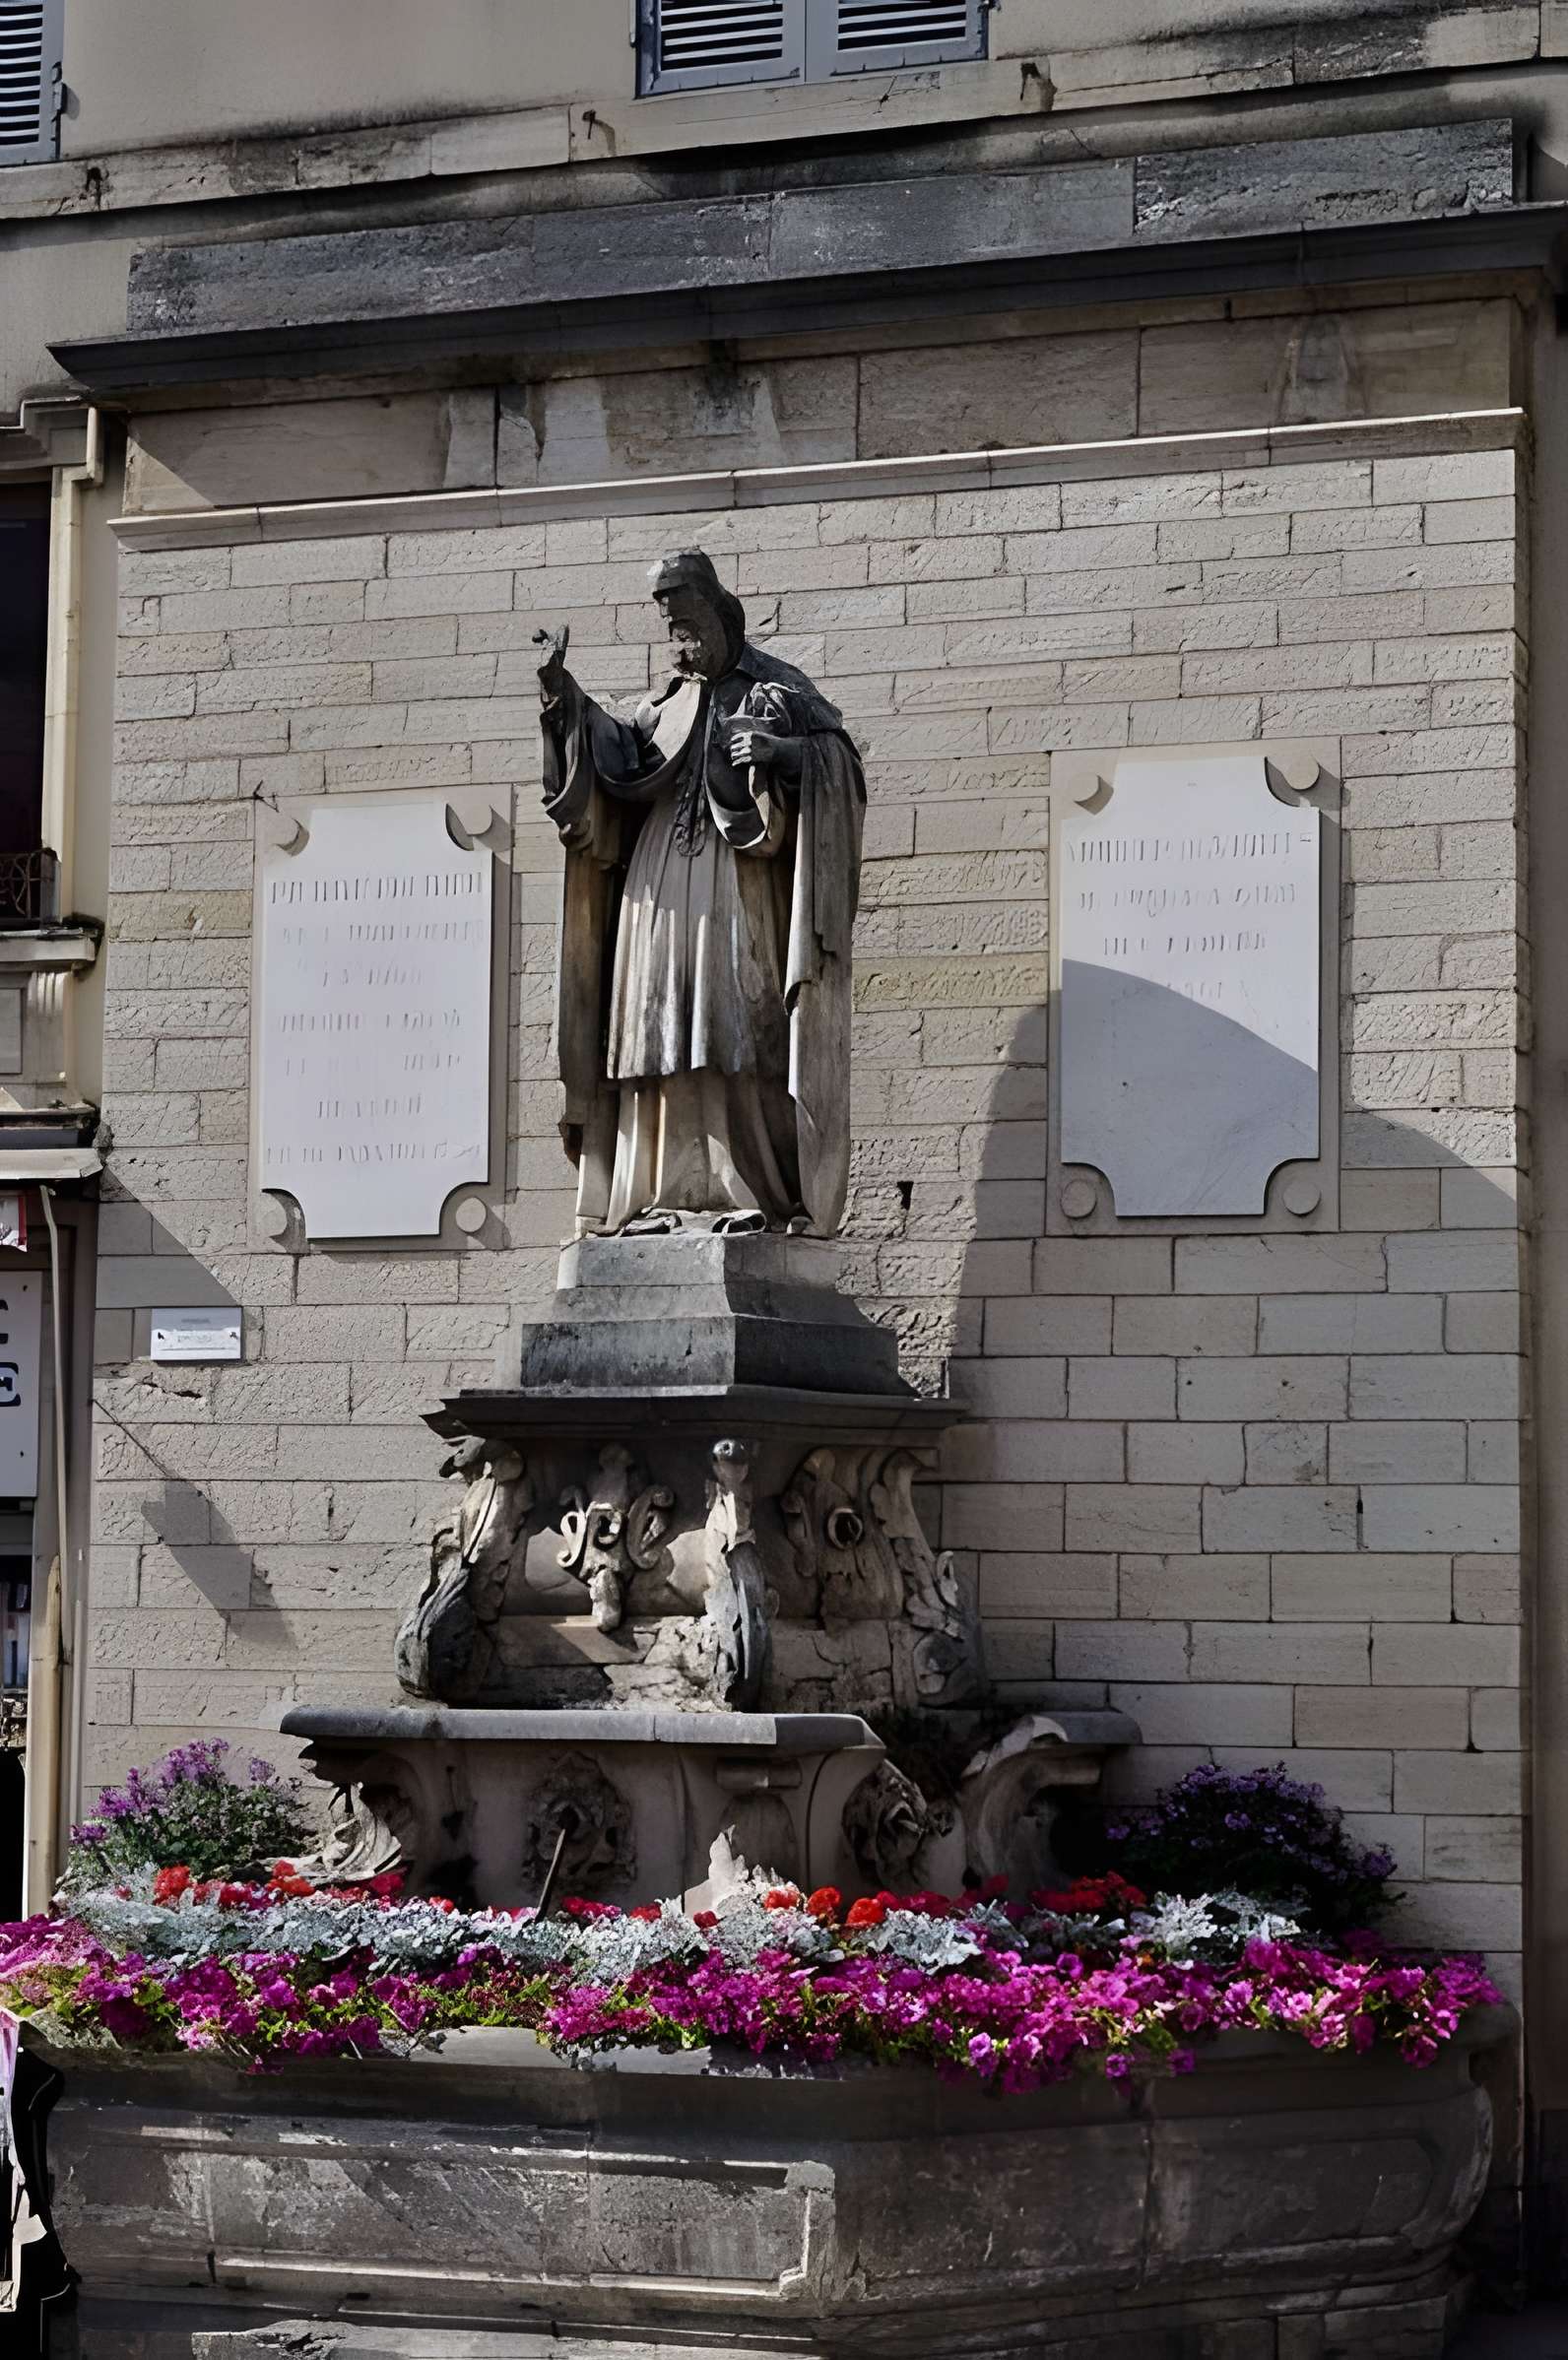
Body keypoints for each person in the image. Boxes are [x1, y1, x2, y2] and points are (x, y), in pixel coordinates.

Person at [535, 548, 864, 1237]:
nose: (679, 641)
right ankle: (652, 1190)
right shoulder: (667, 702)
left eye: (689, 623)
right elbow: (617, 753)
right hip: (654, 881)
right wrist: (560, 696)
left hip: (736, 877)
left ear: (719, 613)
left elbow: (840, 766)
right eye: (670, 628)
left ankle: (744, 1187)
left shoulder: (775, 687)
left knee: (731, 1021)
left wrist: (781, 754)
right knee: (651, 1027)